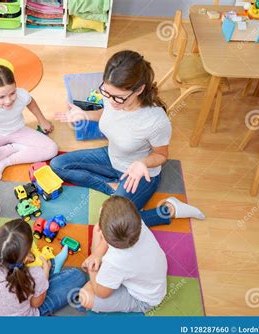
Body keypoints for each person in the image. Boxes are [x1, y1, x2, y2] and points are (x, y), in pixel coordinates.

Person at [52, 50, 204, 227]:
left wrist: (143, 163)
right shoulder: (111, 96)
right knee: (58, 165)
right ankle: (112, 188)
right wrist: (84, 115)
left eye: (119, 98)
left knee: (114, 223)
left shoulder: (155, 120)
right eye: (107, 93)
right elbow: (107, 113)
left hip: (138, 173)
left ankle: (171, 209)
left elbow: (161, 155)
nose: (112, 101)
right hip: (111, 157)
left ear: (139, 89)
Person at [0, 219, 87, 316]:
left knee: (42, 272)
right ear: (23, 256)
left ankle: (49, 273)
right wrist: (45, 273)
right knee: (78, 275)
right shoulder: (36, 273)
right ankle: (52, 271)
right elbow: (36, 303)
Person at [80, 196, 167, 313]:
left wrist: (92, 270)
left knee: (84, 296)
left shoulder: (114, 262)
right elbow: (110, 231)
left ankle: (102, 274)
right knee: (97, 229)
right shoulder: (136, 223)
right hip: (149, 278)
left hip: (144, 299)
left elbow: (101, 293)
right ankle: (105, 274)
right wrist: (98, 254)